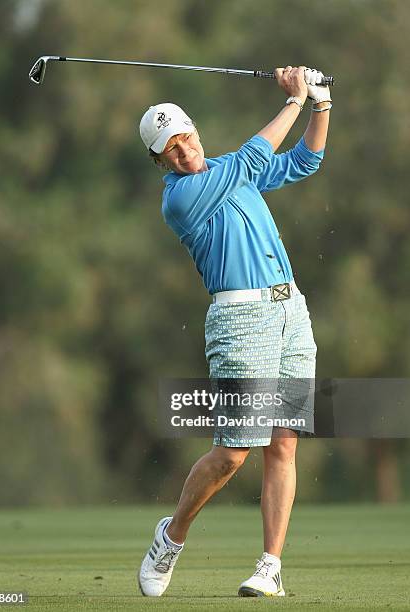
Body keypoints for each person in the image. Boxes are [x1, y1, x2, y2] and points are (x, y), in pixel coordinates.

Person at [137, 66, 331, 598]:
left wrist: (321, 104)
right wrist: (294, 100)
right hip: (241, 321)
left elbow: (304, 162)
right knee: (232, 452)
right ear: (159, 161)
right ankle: (172, 536)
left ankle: (270, 566)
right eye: (170, 150)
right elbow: (253, 156)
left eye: (186, 138)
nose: (184, 152)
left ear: (197, 131)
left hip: (291, 311)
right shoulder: (180, 199)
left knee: (284, 444)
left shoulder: (230, 169)